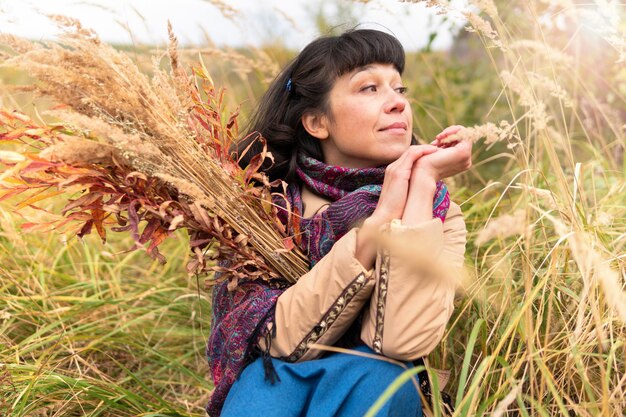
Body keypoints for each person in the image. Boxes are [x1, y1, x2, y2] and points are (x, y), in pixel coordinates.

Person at [206, 28, 470, 417]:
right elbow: (280, 340)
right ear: (316, 122)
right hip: (280, 375)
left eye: (400, 89)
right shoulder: (267, 207)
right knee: (262, 391)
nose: (397, 103)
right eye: (369, 88)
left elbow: (399, 340)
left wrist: (419, 183)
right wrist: (380, 218)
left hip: (378, 381)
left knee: (380, 383)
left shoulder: (437, 209)